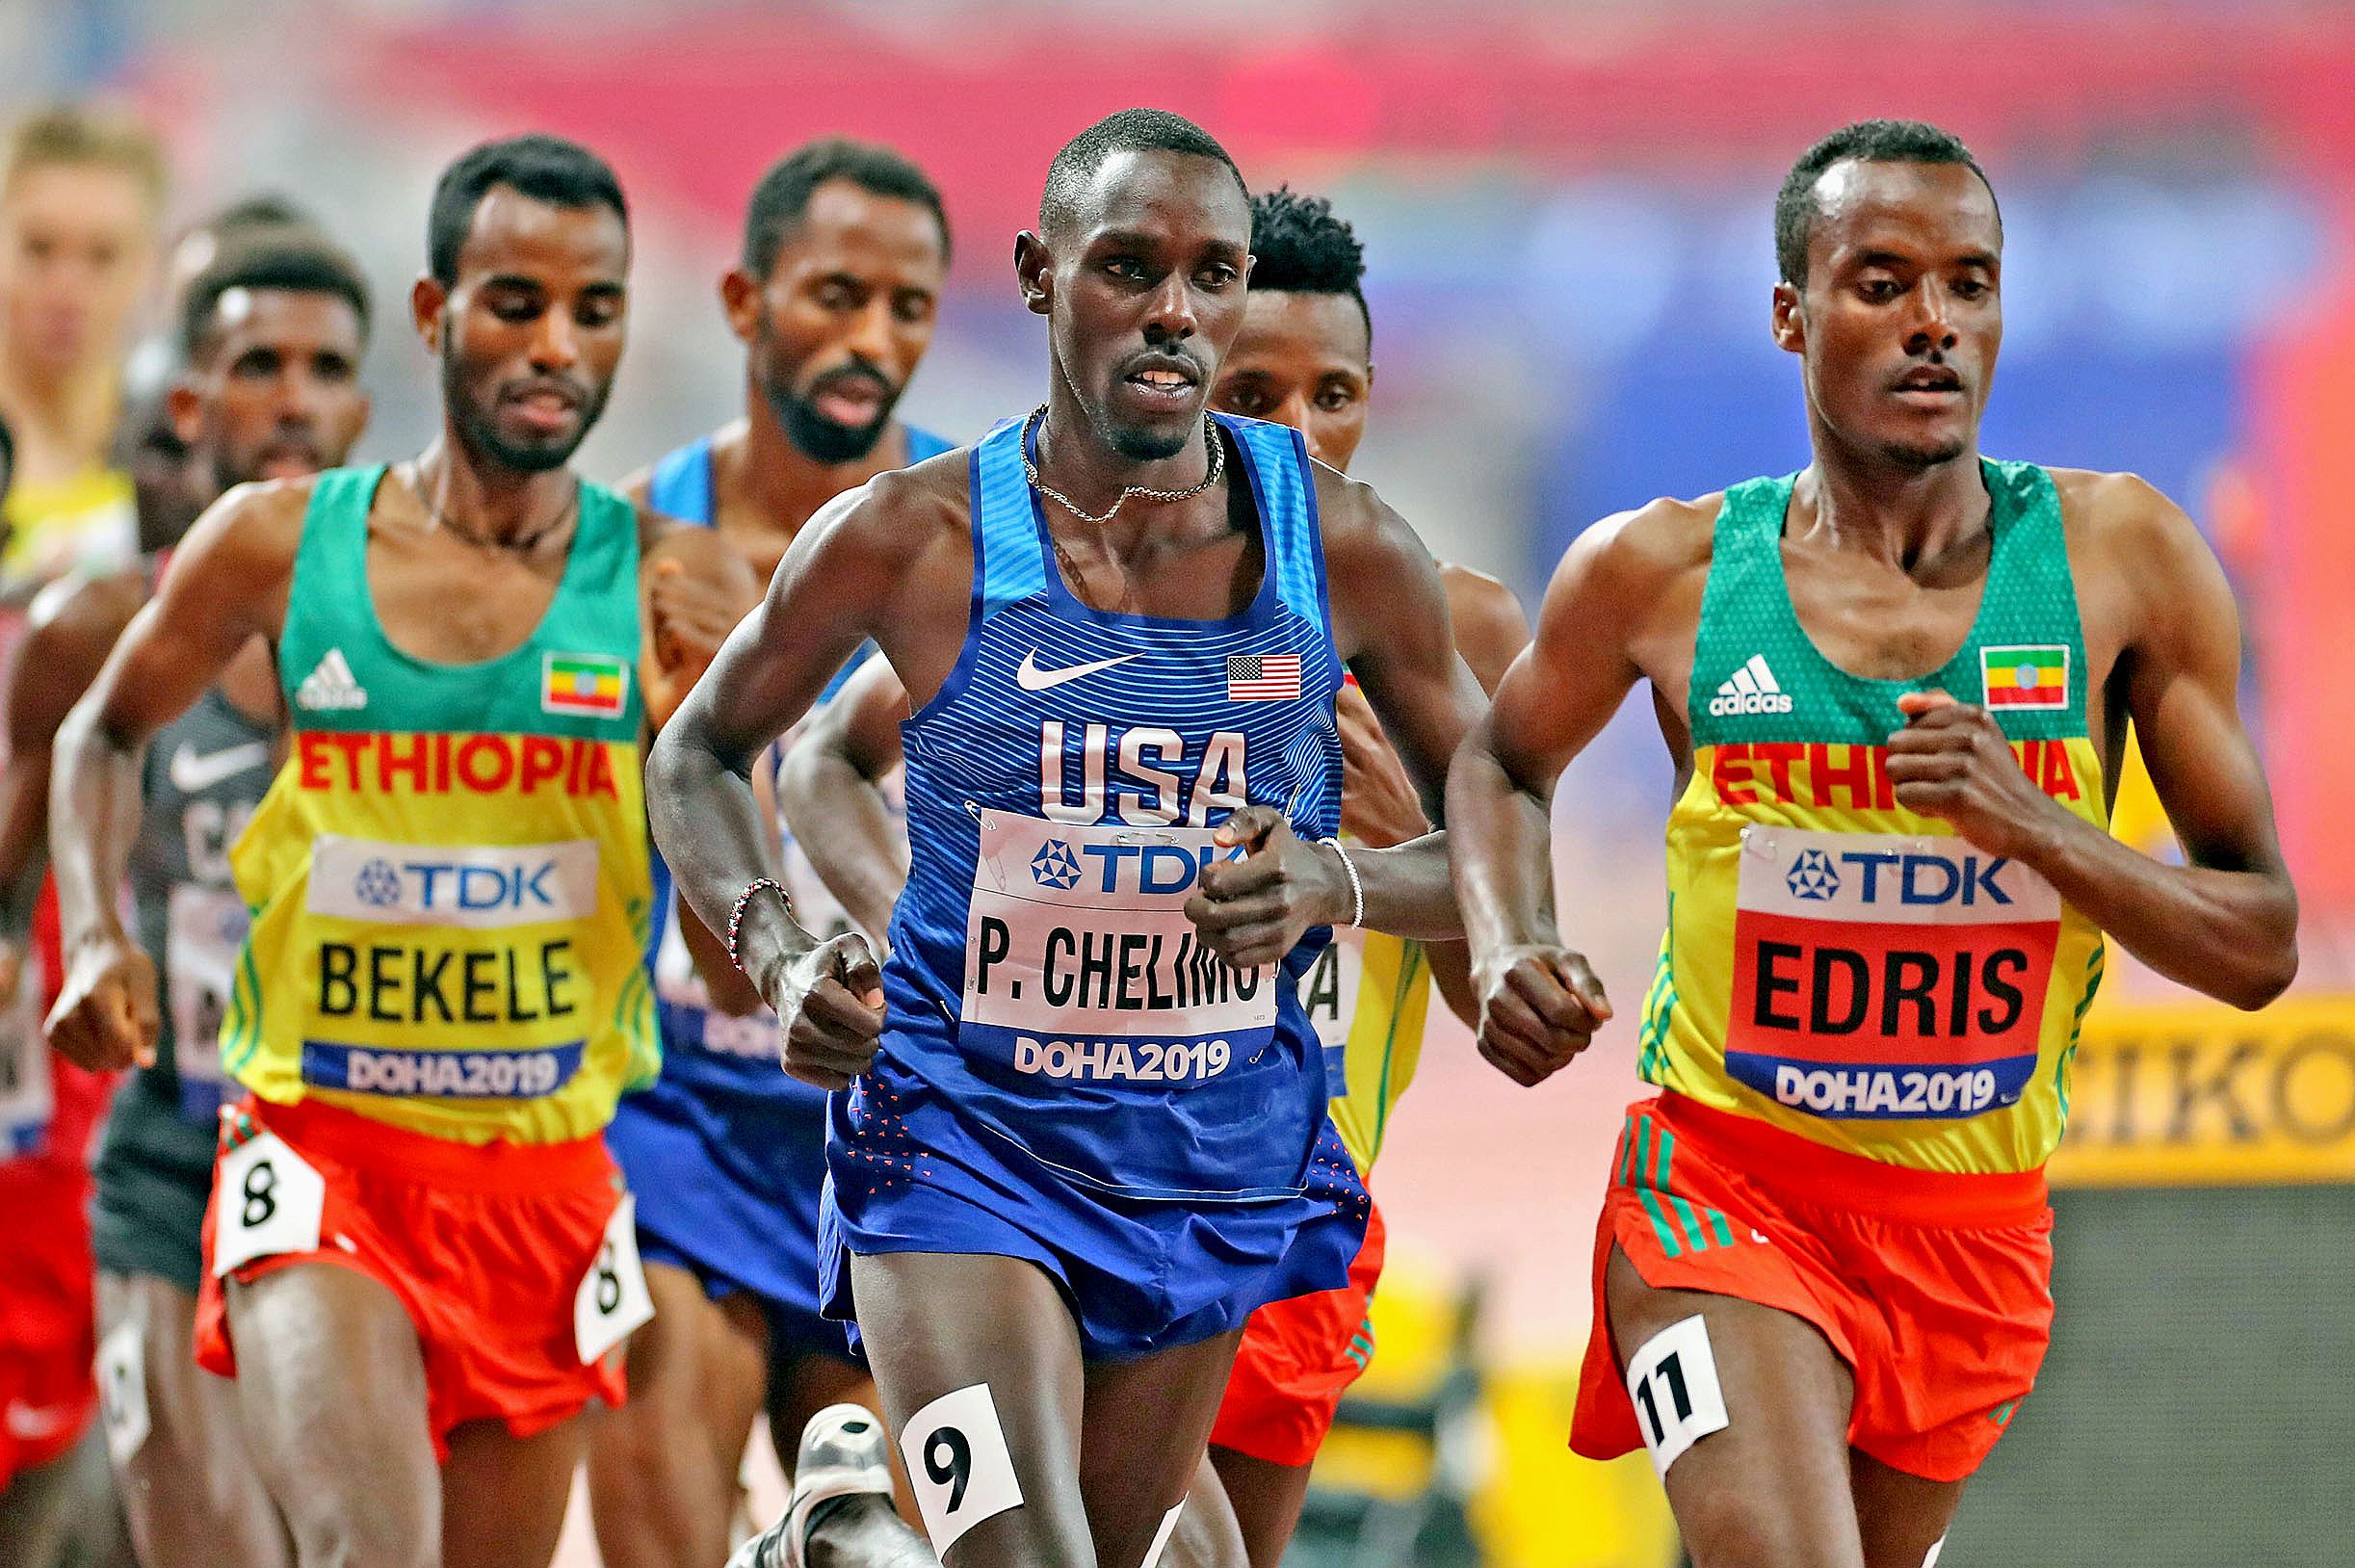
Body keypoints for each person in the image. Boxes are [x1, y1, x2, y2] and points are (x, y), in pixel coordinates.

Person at [1445, 118, 2299, 1568]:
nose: (1932, 326)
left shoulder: (2121, 563)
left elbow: (2259, 941)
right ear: (1790, 314)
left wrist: (2038, 826)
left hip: (1970, 1233)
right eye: (1882, 282)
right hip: (1717, 1190)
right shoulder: (1659, 572)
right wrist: (1508, 935)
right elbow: (1502, 764)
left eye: (1969, 286)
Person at [653, 108, 1483, 1568]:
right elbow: (709, 754)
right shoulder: (909, 538)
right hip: (959, 1140)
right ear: (1040, 275)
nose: (1174, 312)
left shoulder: (1351, 555)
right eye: (1128, 267)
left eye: (1209, 275)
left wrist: (1340, 876)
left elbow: (1501, 842)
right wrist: (787, 949)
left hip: (1213, 1160)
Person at [42, 134, 753, 1568]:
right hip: (322, 1159)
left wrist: (685, 763)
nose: (554, 347)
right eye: (514, 304)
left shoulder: (679, 582)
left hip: (546, 1181)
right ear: (435, 317)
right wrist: (99, 929)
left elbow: (733, 965)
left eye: (593, 310)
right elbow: (97, 736)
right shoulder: (276, 544)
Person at [589, 138, 955, 1568]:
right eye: (836, 294)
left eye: (908, 308)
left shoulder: (982, 543)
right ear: (746, 302)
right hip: (676, 1120)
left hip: (905, 1128)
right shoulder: (618, 553)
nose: (873, 338)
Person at [24, 225, 370, 1568]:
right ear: (190, 401)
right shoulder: (94, 632)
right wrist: (78, 945)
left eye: (323, 368)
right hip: (175, 1147)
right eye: (256, 364)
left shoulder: (453, 626)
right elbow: (18, 870)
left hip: (377, 1148)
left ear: (363, 399)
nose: (291, 398)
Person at [0, 103, 165, 600]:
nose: (67, 288)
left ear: (146, 266)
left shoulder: (176, 452)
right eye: (40, 248)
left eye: (102, 256)